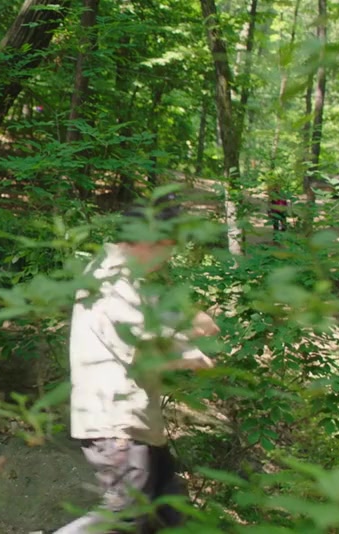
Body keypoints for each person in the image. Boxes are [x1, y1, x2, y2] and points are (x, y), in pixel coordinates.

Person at [56, 196, 220, 534]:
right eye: (167, 247)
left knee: (169, 516)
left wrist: (190, 351)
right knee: (128, 515)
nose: (168, 256)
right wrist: (192, 335)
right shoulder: (108, 279)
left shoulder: (124, 280)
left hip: (138, 424)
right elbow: (140, 337)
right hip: (116, 423)